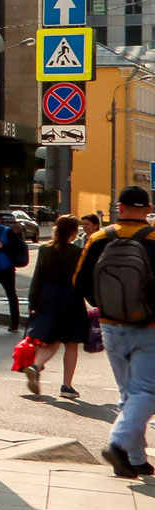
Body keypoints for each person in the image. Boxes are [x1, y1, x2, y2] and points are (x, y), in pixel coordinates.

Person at [74, 187, 155, 478]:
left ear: (119, 207)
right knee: (147, 391)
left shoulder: (98, 238)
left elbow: (80, 281)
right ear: (147, 209)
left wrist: (104, 306)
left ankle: (135, 460)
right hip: (149, 327)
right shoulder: (153, 238)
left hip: (110, 326)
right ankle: (118, 444)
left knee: (129, 393)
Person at [23, 214, 89, 399]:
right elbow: (82, 280)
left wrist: (32, 301)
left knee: (53, 339)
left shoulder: (45, 250)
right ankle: (66, 386)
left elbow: (37, 277)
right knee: (71, 343)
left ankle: (36, 366)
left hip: (47, 298)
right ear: (74, 232)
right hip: (70, 299)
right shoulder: (76, 252)